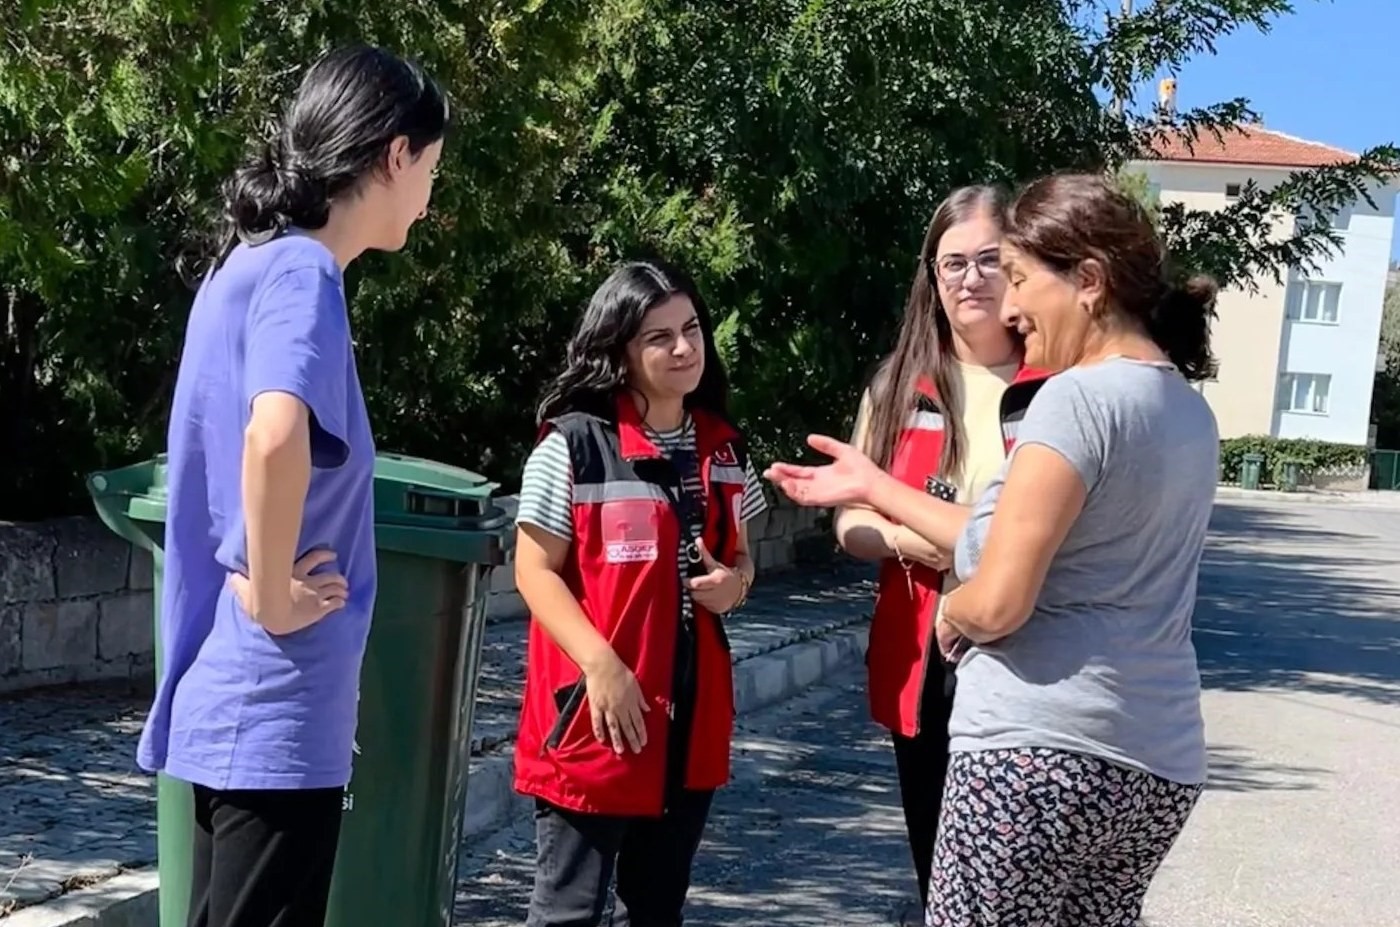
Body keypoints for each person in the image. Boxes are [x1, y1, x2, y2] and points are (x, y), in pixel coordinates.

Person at [767, 172, 1218, 927]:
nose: (1007, 304)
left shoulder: (1072, 398)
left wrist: (958, 611)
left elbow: (1003, 595)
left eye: (1014, 276)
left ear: (1088, 281)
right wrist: (879, 489)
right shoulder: (1186, 408)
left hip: (1037, 750)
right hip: (1156, 758)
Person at [137, 45, 447, 927]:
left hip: (238, 703)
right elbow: (273, 435)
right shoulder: (304, 274)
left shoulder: (247, 266)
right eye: (430, 168)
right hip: (272, 703)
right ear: (394, 155)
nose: (429, 196)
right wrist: (274, 597)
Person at [512, 259, 769, 927]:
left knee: (657, 908)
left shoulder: (724, 448)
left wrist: (734, 586)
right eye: (659, 337)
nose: (684, 348)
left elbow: (743, 559)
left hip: (691, 719)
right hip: (596, 714)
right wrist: (602, 666)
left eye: (691, 329)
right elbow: (533, 570)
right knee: (567, 911)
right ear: (620, 350)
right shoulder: (573, 446)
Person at [833, 185, 1048, 917]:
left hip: (1029, 658)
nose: (970, 278)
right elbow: (850, 522)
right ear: (931, 275)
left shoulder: (1055, 385)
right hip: (924, 660)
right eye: (952, 262)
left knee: (1015, 876)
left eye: (990, 259)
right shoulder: (899, 385)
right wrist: (919, 540)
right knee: (939, 869)